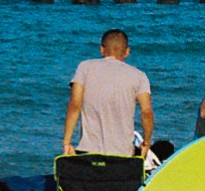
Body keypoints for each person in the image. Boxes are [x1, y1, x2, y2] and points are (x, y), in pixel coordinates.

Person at [62, 29, 154, 157]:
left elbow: (74, 105)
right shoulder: (139, 76)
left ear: (102, 49)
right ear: (127, 52)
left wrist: (67, 142)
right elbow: (146, 112)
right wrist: (146, 143)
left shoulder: (85, 68)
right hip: (122, 155)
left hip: (88, 151)